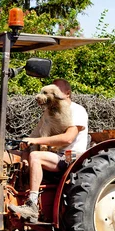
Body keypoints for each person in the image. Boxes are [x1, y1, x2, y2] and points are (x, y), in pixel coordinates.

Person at [9, 79, 89, 223]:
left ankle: (32, 206)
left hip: (70, 158)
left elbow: (68, 138)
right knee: (17, 156)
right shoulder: (49, 112)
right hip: (54, 155)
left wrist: (36, 142)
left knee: (35, 156)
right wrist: (24, 143)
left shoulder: (77, 110)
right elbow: (36, 133)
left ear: (67, 93)